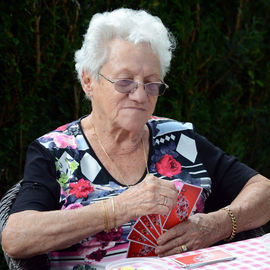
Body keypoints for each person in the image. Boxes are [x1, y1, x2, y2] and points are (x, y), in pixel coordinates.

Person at [1, 7, 270, 269]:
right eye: (124, 81)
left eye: (152, 83)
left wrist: (216, 225)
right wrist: (116, 209)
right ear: (88, 81)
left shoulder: (179, 140)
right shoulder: (56, 151)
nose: (141, 96)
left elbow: (264, 190)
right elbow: (16, 237)